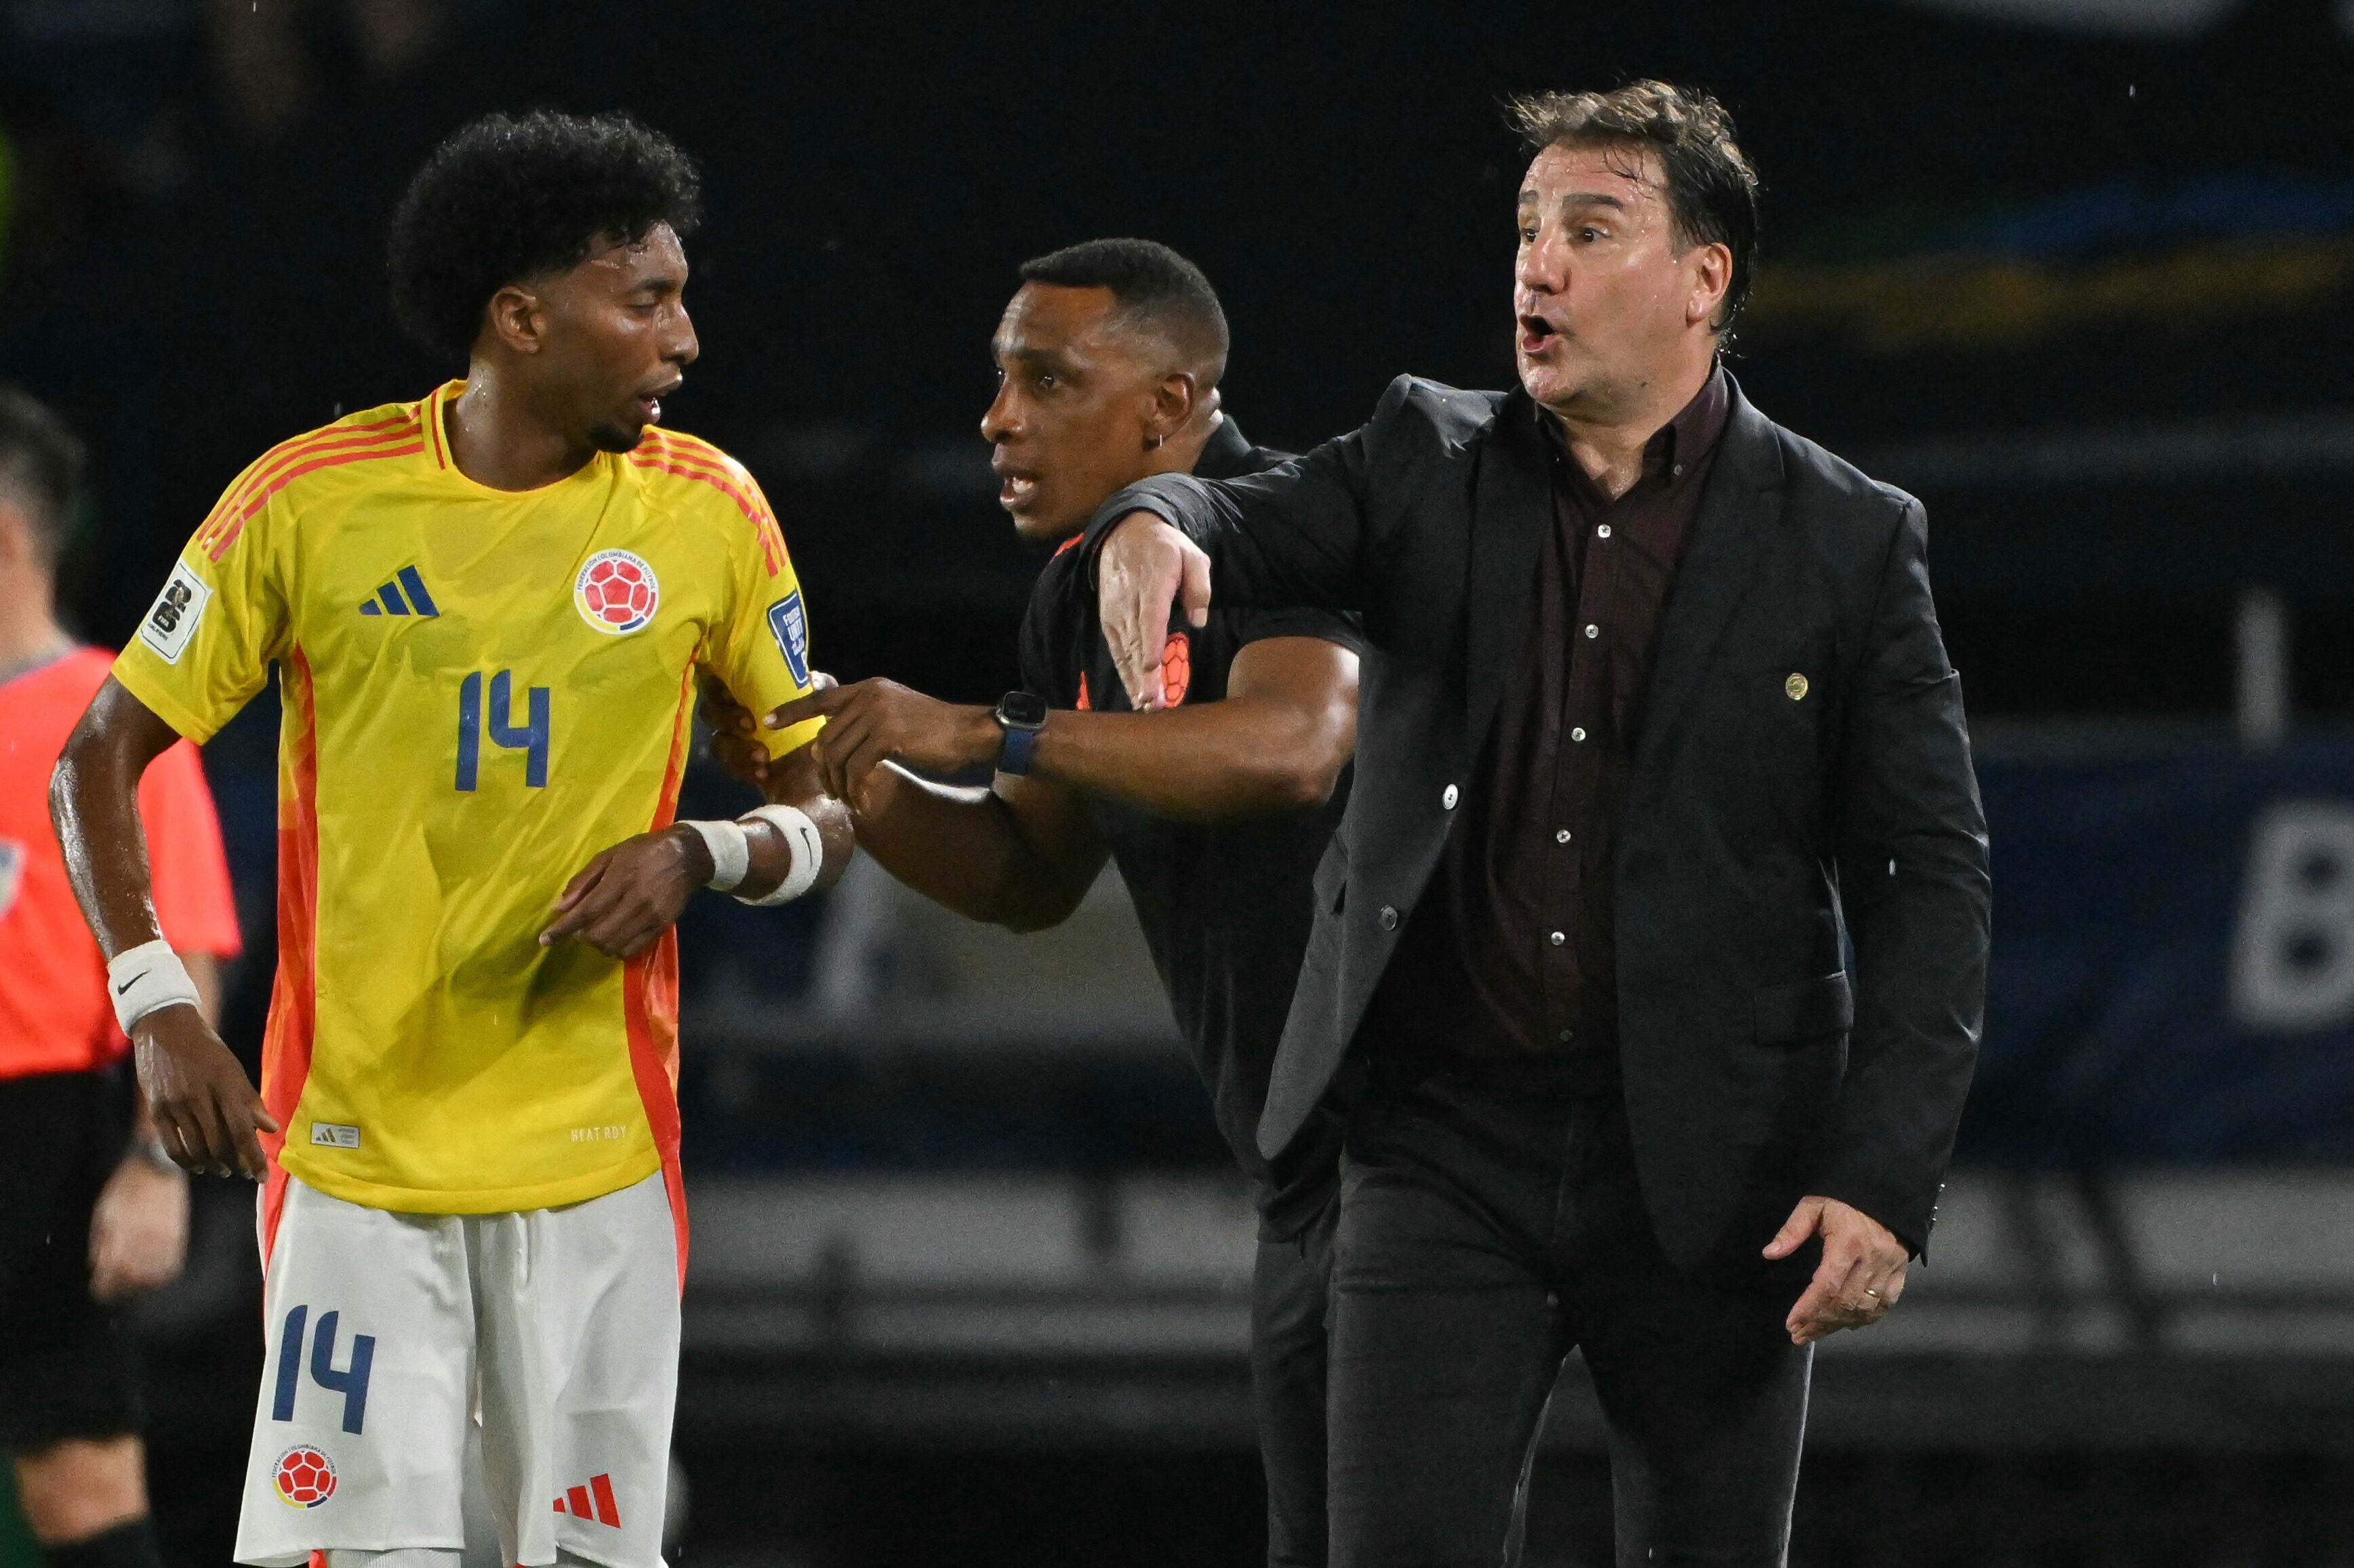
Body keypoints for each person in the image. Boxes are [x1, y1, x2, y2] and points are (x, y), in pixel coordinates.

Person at [1086, 82, 1992, 1567]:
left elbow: (1929, 877)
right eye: (1525, 231)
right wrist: (1153, 518)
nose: (1536, 267)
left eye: (1588, 229)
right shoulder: (1419, 456)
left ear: (1706, 279)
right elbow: (1242, 515)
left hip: (1717, 1166)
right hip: (1441, 1146)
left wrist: (1882, 1173)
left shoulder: (1847, 535)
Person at [49, 111, 852, 1568]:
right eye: (647, 298)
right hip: (358, 1158)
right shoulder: (310, 502)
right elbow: (98, 753)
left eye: (682, 294)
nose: (684, 336)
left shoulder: (713, 512)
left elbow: (825, 802)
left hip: (602, 1163)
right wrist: (157, 1002)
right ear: (521, 316)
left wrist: (703, 855)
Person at [707, 239, 1364, 1568]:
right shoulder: (1077, 594)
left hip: (1456, 1156)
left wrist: (989, 732)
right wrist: (846, 771)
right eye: (1000, 382)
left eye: (1048, 381)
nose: (1001, 418)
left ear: (1167, 409)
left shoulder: (1288, 521)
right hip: (1318, 1175)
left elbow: (1292, 746)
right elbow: (1025, 875)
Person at [0, 388, 242, 1568]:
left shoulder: (110, 720)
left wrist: (155, 1166)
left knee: (78, 1480)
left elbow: (181, 955)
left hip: (41, 1133)